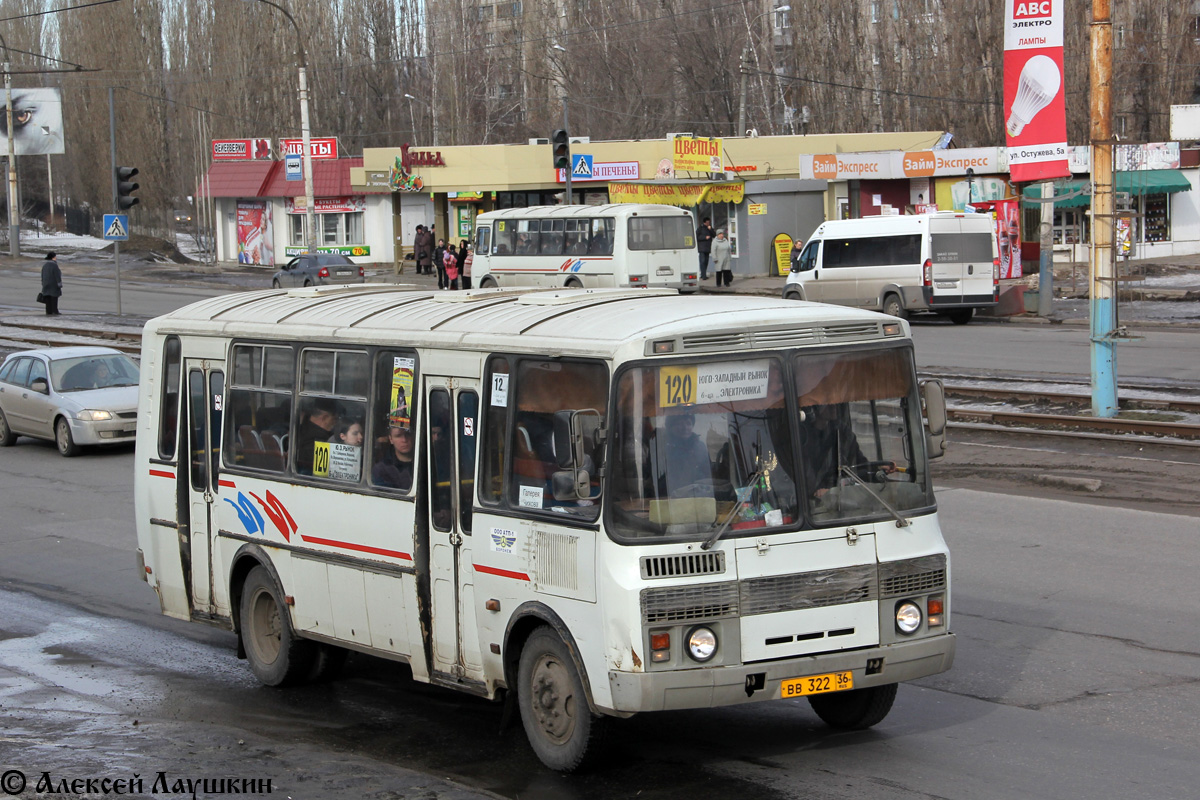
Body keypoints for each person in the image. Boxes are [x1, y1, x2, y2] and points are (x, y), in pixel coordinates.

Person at [657, 410, 712, 497]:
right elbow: (658, 480)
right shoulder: (661, 447)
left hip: (698, 496)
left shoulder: (700, 447)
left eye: (688, 423)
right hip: (669, 497)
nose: (685, 427)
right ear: (670, 427)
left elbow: (708, 475)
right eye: (679, 424)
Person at [295, 398, 338, 474]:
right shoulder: (316, 441)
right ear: (325, 418)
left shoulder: (301, 428)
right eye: (334, 419)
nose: (336, 422)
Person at [372, 425, 415, 491]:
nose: (404, 440)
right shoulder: (382, 469)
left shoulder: (426, 462)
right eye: (398, 435)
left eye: (408, 434)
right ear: (391, 439)